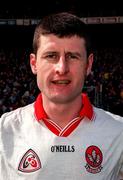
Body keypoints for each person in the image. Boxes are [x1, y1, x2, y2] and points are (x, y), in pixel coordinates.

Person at [0, 12, 123, 180]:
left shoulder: (119, 132)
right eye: (51, 56)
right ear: (34, 64)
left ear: (88, 64)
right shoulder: (3, 130)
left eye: (72, 56)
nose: (62, 68)